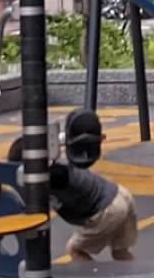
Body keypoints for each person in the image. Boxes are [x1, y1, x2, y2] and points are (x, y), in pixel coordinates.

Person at [9, 111, 138, 261]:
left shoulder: (52, 175)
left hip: (107, 211)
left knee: (74, 249)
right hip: (121, 195)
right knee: (120, 253)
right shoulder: (57, 164)